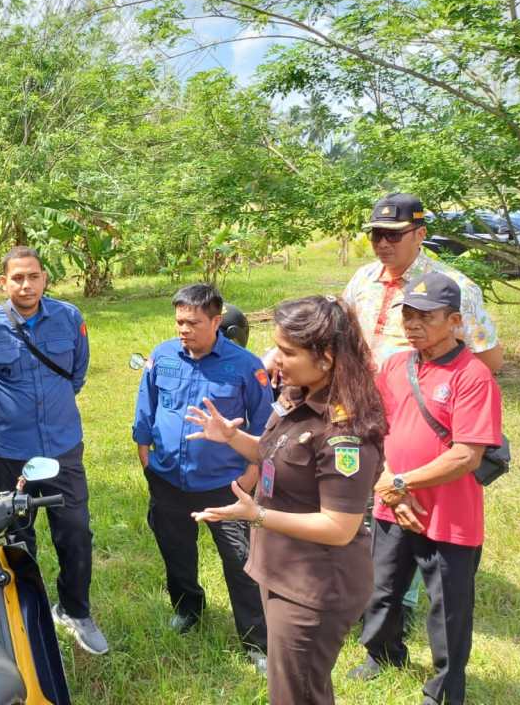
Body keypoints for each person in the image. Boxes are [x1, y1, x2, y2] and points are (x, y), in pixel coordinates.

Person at [188, 295, 387, 704]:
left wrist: (257, 514)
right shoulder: (299, 394)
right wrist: (231, 437)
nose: (275, 359)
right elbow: (274, 453)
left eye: (288, 351)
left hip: (313, 587)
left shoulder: (343, 432)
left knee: (297, 695)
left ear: (326, 358)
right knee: (293, 689)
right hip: (282, 569)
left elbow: (339, 526)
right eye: (277, 346)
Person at [349, 272, 501, 705]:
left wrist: (400, 483)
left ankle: (445, 687)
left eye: (426, 317)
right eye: (408, 315)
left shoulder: (473, 376)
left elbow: (466, 456)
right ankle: (382, 654)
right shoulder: (397, 366)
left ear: (454, 321)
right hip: (392, 503)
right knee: (382, 588)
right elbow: (374, 429)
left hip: (449, 512)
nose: (413, 324)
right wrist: (392, 489)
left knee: (447, 605)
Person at [0, 246, 108, 656]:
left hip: (62, 446)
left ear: (45, 278)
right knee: (17, 534)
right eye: (17, 278)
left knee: (75, 530)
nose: (26, 285)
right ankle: (28, 612)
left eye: (34, 276)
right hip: (9, 450)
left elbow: (76, 373)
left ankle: (75, 610)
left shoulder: (70, 318)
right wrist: (11, 413)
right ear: (3, 283)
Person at [131, 284, 270, 670]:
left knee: (241, 562)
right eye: (179, 321)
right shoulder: (162, 356)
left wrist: (250, 476)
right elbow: (146, 408)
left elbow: (264, 428)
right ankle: (188, 608)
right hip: (168, 480)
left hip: (224, 484)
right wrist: (145, 456)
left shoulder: (246, 366)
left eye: (193, 322)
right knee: (175, 551)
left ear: (216, 320)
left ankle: (256, 641)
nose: (184, 329)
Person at [342, 192, 502, 373]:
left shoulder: (455, 287)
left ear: (420, 234)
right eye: (377, 235)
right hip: (361, 388)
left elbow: (489, 360)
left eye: (393, 235)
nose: (383, 244)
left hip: (419, 389)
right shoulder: (363, 277)